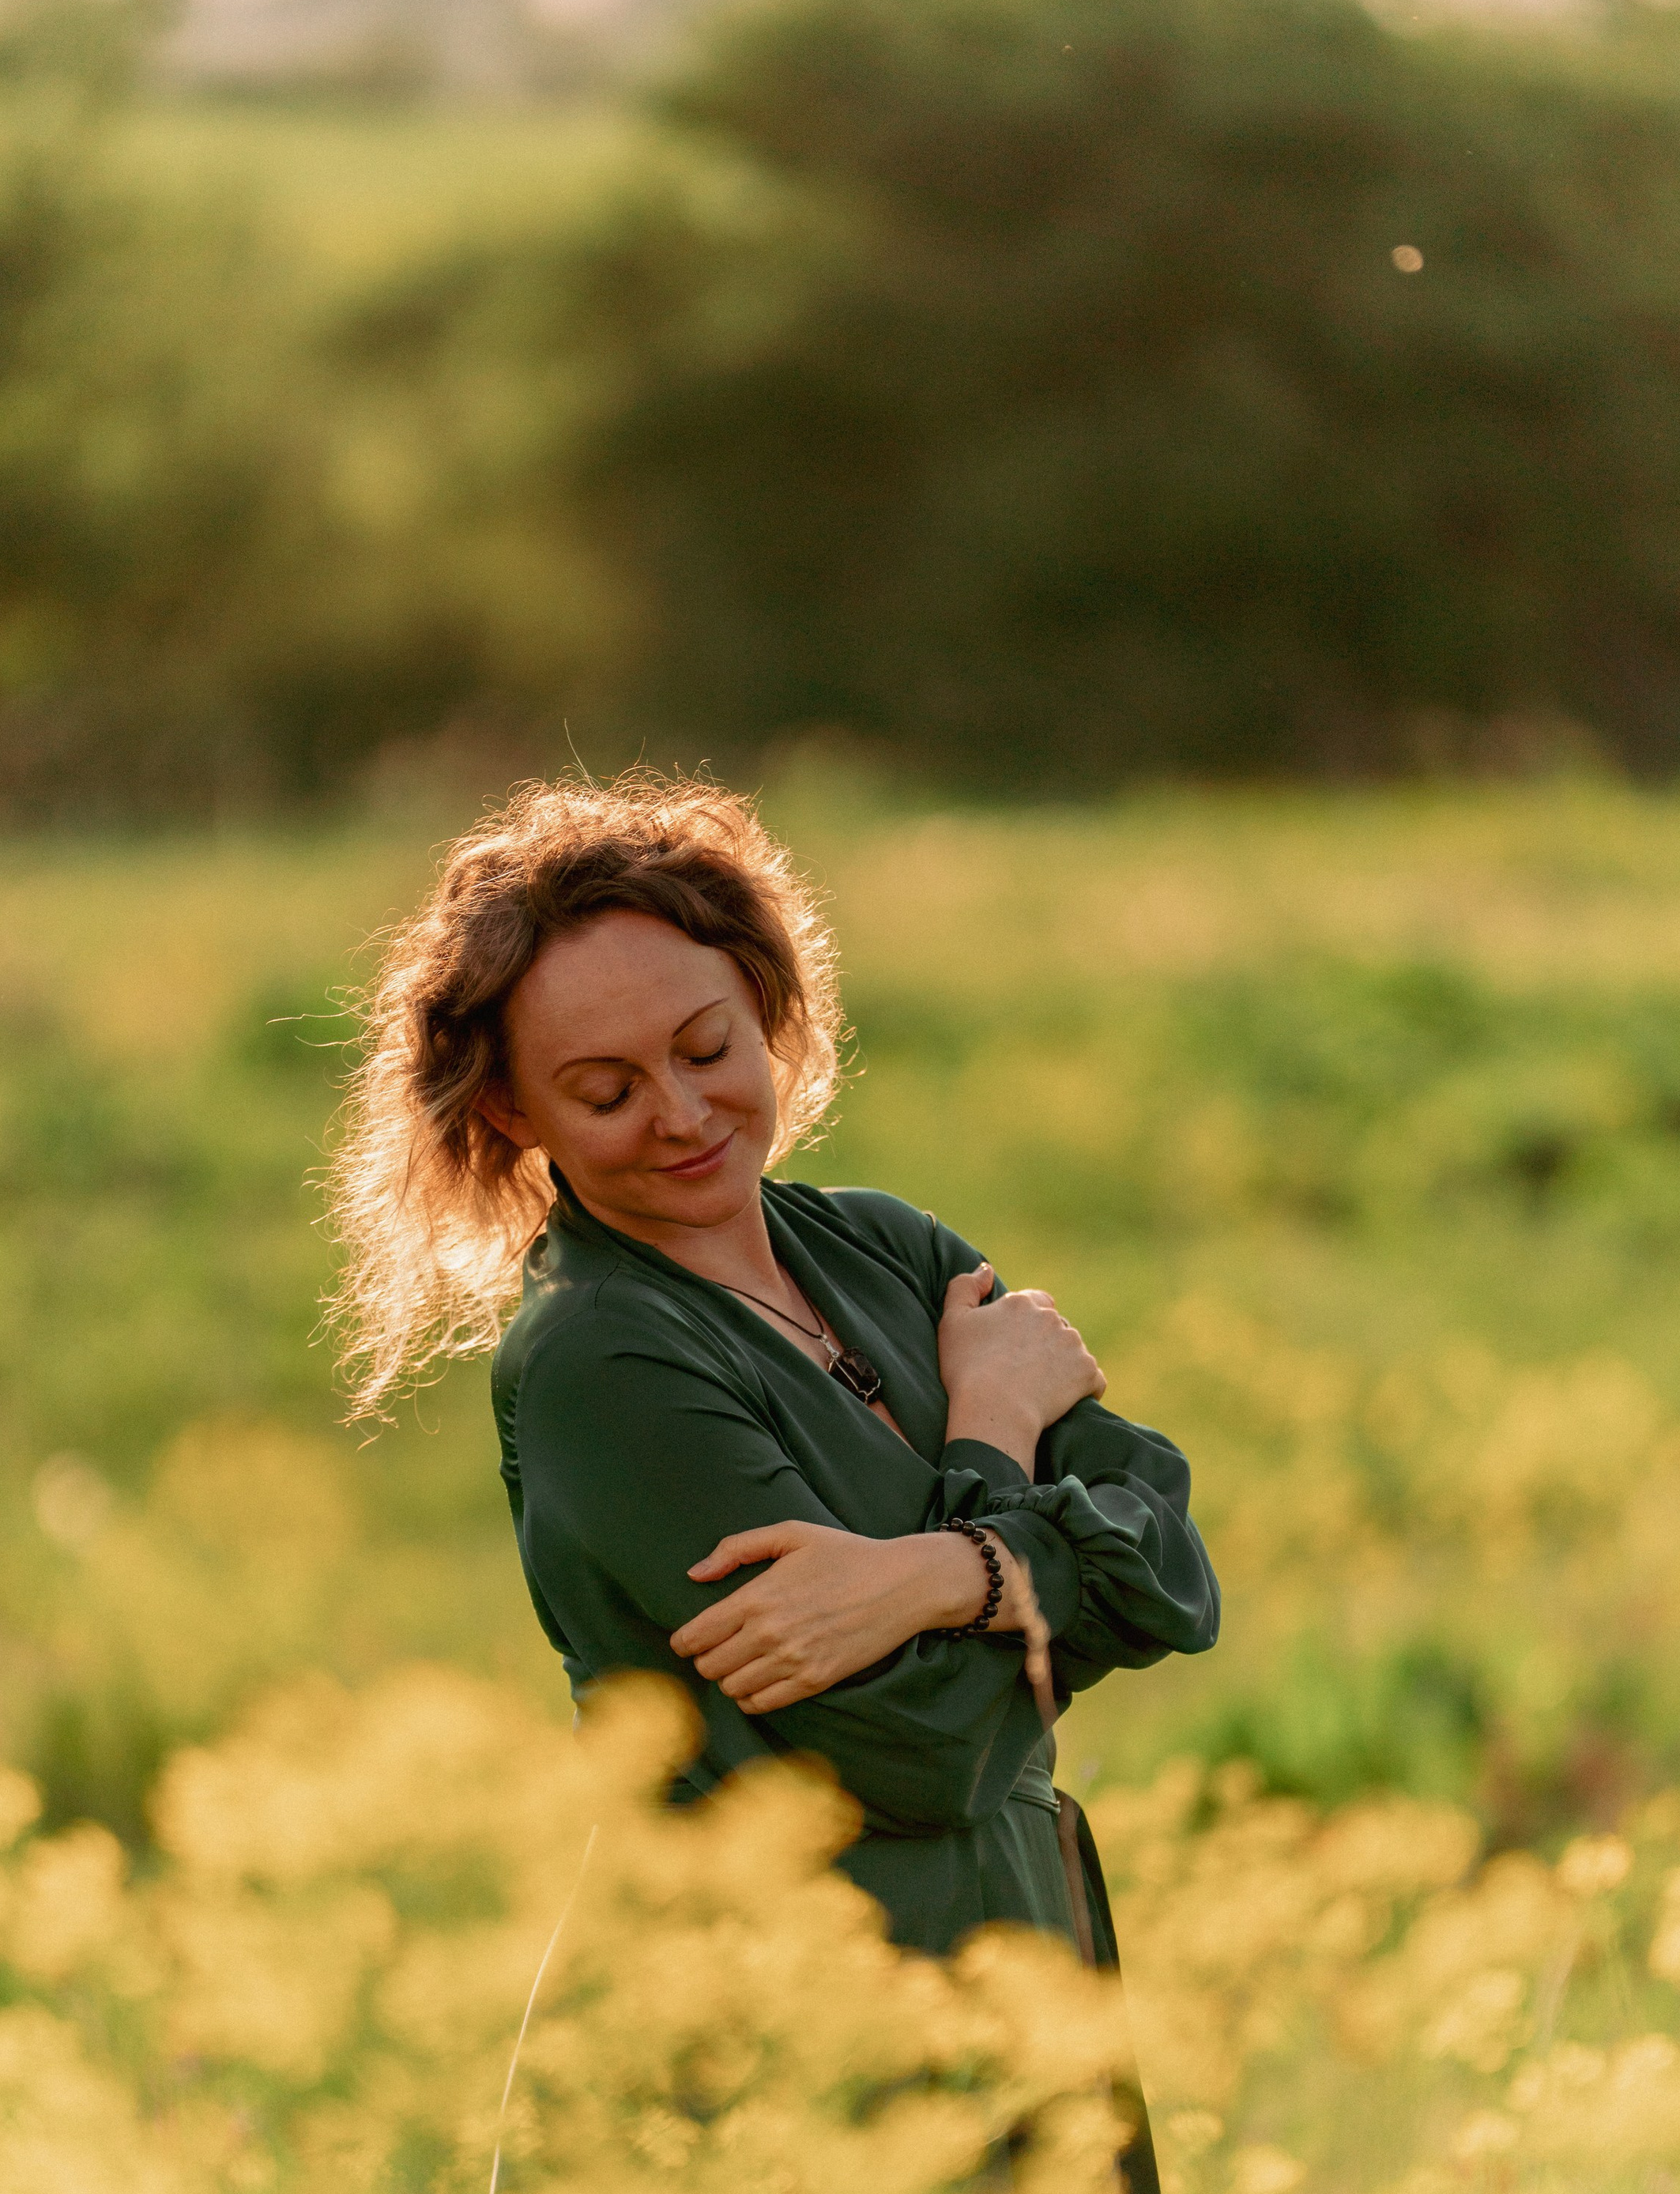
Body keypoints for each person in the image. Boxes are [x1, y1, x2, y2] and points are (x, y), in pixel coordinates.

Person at [330, 770, 1219, 1979]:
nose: (682, 1112)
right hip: (787, 2000)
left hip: (1023, 1953)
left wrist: (938, 1576)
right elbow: (930, 1749)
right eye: (607, 1091)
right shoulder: (601, 1359)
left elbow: (1172, 1565)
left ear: (761, 1004)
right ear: (510, 1107)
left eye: (706, 1047)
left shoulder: (888, 1248)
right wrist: (997, 1435)